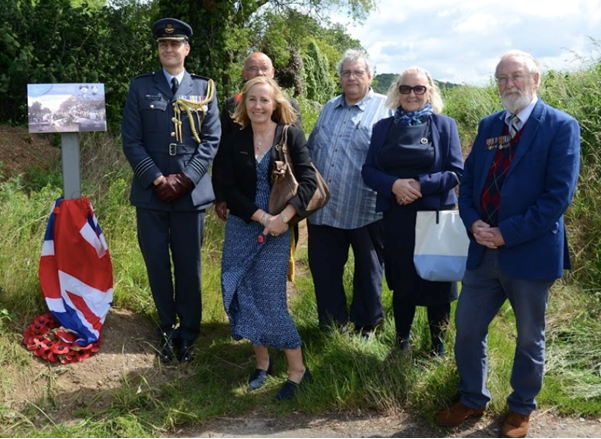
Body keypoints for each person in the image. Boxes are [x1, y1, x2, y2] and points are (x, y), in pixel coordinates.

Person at [435, 50, 580, 439]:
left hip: (530, 253)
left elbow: (556, 198)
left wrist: (507, 232)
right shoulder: (489, 126)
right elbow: (468, 185)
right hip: (483, 251)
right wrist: (475, 224)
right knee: (467, 328)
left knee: (530, 335)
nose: (508, 84)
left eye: (516, 76)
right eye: (502, 78)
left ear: (536, 80)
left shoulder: (560, 127)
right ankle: (472, 398)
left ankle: (520, 409)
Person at [121, 18, 221, 363]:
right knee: (157, 265)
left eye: (175, 44)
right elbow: (131, 141)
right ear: (159, 49)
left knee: (189, 265)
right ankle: (167, 329)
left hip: (189, 195)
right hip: (151, 195)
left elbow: (211, 140)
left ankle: (189, 334)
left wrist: (187, 177)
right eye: (163, 45)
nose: (169, 49)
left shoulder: (204, 88)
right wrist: (156, 178)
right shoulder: (140, 88)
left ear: (186, 49)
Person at [220, 76, 317, 400]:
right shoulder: (234, 140)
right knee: (241, 294)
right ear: (244, 105)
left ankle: (298, 370)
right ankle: (262, 364)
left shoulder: (290, 136)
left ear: (275, 103)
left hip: (278, 227)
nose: (258, 106)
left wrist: (282, 220)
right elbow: (226, 187)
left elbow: (307, 182)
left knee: (270, 298)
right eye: (252, 100)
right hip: (243, 225)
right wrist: (261, 217)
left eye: (264, 100)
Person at [361, 66, 463, 356]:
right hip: (397, 216)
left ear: (429, 91)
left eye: (419, 89)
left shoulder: (445, 126)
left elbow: (456, 172)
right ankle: (401, 342)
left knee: (438, 283)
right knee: (402, 280)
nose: (412, 94)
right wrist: (394, 185)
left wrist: (418, 186)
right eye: (405, 88)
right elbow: (368, 171)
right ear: (397, 91)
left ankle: (437, 348)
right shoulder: (383, 128)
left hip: (436, 216)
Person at [306, 49, 392, 336]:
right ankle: (332, 324)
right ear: (340, 77)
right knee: (324, 269)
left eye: (358, 72)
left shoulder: (385, 108)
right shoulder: (329, 107)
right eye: (346, 72)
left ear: (370, 76)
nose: (352, 77)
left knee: (368, 272)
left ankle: (367, 325)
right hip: (324, 208)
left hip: (366, 208)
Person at [212, 52, 302, 222]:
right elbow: (222, 153)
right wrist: (220, 195)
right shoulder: (232, 105)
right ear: (244, 74)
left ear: (273, 72)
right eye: (253, 68)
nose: (259, 73)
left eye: (264, 68)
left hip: (281, 198)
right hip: (242, 197)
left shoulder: (289, 105)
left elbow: (297, 157)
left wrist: (294, 203)